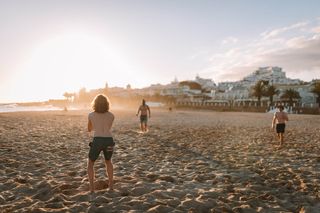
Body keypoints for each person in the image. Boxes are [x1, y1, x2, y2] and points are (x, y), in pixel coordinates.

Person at [87, 94, 115, 195]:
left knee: (90, 163)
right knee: (108, 161)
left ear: (95, 103)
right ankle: (111, 186)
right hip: (109, 140)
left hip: (97, 140)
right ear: (107, 103)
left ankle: (92, 189)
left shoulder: (91, 115)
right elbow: (108, 128)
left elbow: (89, 129)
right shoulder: (111, 115)